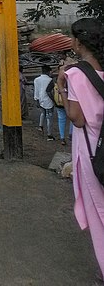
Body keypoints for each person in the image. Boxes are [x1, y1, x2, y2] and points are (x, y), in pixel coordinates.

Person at [57, 18, 104, 280]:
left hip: (90, 150)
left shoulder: (75, 74)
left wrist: (63, 88)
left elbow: (76, 117)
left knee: (98, 211)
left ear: (78, 42)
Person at [34, 64, 55, 141]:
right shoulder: (50, 80)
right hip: (49, 100)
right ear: (48, 71)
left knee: (42, 113)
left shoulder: (36, 79)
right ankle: (49, 134)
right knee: (49, 118)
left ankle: (40, 126)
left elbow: (36, 91)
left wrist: (36, 100)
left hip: (40, 99)